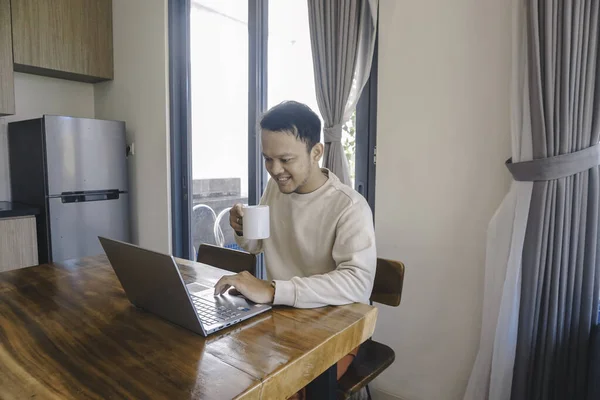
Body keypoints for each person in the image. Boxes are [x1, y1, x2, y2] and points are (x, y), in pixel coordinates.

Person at [214, 100, 377, 398]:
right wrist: (240, 226)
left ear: (316, 152)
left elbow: (358, 282)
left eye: (285, 159)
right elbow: (256, 244)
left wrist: (274, 290)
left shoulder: (349, 207)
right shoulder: (275, 188)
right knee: (226, 368)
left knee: (284, 389)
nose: (275, 170)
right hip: (284, 318)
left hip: (337, 329)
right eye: (268, 159)